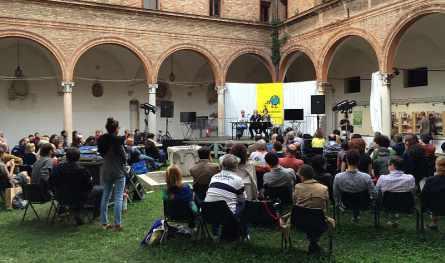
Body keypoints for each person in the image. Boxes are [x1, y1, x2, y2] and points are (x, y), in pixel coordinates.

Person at [50, 147, 101, 225]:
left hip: (60, 196)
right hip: (79, 197)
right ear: (79, 157)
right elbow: (89, 186)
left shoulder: (57, 168)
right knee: (100, 189)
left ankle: (64, 210)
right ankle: (96, 215)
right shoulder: (83, 170)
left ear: (66, 157)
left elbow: (51, 182)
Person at [293, 164, 335, 254]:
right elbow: (327, 206)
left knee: (308, 216)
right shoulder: (324, 188)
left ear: (302, 176)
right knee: (315, 217)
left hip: (300, 220)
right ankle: (314, 242)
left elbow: (295, 203)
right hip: (319, 221)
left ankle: (313, 242)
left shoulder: (297, 187)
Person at [205, 154, 247, 239]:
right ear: (236, 166)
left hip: (208, 213)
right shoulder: (238, 180)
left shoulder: (214, 177)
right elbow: (242, 199)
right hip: (226, 215)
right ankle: (244, 234)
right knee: (244, 204)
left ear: (222, 165)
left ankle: (215, 233)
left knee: (216, 203)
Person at [97, 117, 127, 231]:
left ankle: (104, 223)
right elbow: (125, 158)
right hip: (118, 170)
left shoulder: (101, 139)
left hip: (106, 170)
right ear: (116, 129)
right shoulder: (117, 141)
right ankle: (117, 224)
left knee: (105, 196)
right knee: (118, 197)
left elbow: (101, 153)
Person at [333, 150, 375, 222]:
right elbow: (373, 193)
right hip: (363, 204)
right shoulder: (366, 177)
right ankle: (356, 216)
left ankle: (355, 216)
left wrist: (338, 203)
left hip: (345, 204)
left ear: (346, 160)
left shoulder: (338, 177)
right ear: (358, 160)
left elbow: (336, 194)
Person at [421, 157, 445, 230]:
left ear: (436, 166)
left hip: (434, 207)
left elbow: (424, 196)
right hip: (437, 205)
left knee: (433, 200)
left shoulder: (430, 180)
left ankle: (434, 223)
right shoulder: (430, 180)